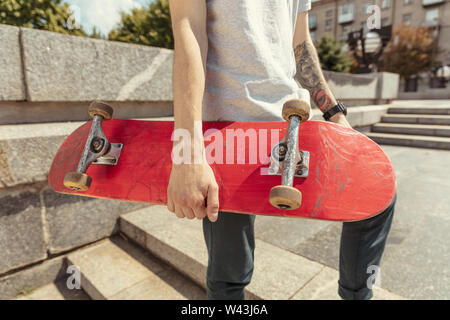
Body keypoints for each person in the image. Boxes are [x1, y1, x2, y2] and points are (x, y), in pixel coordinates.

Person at [166, 0, 396, 300]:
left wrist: (335, 114)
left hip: (292, 125)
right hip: (228, 131)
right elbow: (189, 30)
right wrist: (188, 153)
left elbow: (299, 44)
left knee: (378, 192)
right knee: (229, 270)